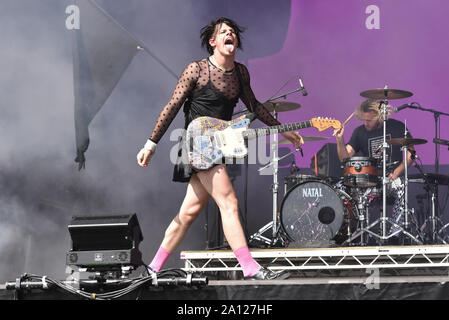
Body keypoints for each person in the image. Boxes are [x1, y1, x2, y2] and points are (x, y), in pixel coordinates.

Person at [136, 17, 304, 280]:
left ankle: (152, 269)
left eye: (234, 32)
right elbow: (172, 106)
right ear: (213, 41)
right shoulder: (197, 70)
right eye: (225, 32)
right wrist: (151, 143)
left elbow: (255, 106)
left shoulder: (240, 73)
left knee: (188, 212)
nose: (231, 35)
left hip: (217, 146)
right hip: (197, 144)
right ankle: (249, 266)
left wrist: (283, 129)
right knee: (229, 202)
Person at [334, 99, 416, 239]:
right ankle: (348, 232)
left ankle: (395, 233)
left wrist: (397, 172)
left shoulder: (397, 127)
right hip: (369, 181)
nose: (366, 123)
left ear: (378, 117)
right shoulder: (359, 132)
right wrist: (340, 140)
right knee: (339, 187)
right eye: (364, 120)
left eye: (369, 120)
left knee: (402, 186)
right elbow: (344, 158)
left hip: (392, 179)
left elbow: (411, 154)